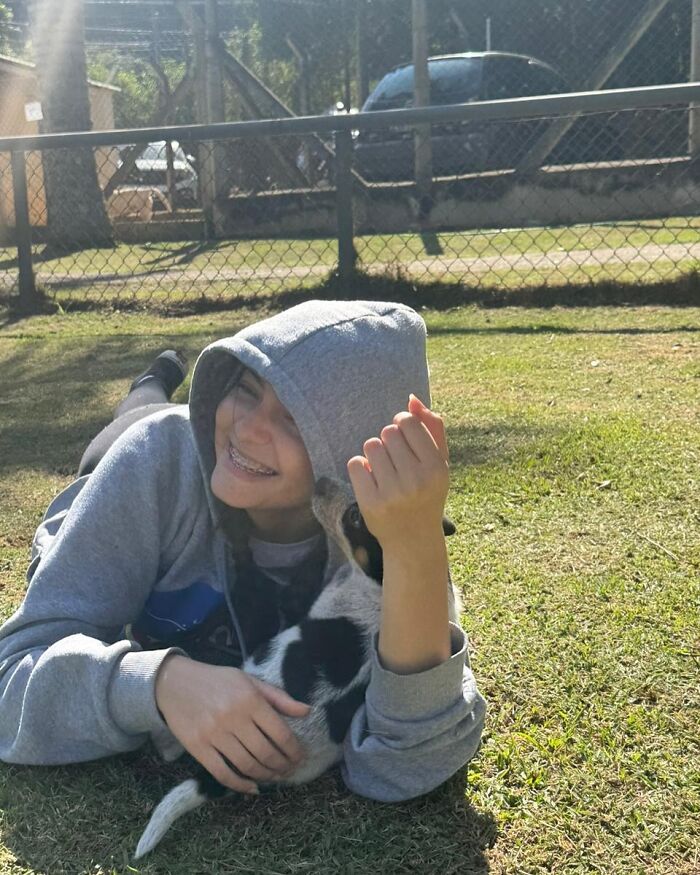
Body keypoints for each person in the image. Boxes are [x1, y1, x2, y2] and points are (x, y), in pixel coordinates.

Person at [0, 299, 486, 802]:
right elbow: (9, 682)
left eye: (294, 420)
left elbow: (407, 763)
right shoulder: (152, 465)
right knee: (132, 420)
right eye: (245, 388)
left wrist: (417, 551)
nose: (250, 427)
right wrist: (160, 683)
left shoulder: (376, 550)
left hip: (208, 462)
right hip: (127, 469)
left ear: (356, 459)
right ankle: (155, 376)